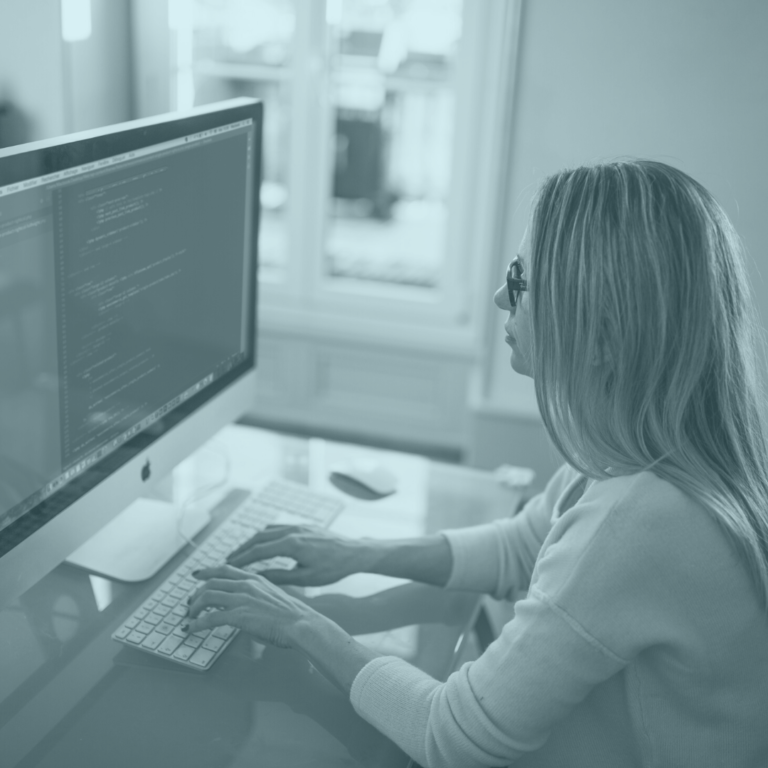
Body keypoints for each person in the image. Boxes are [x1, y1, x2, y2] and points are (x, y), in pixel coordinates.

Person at [185, 160, 768, 767]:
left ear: (601, 337)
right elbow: (524, 548)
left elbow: (456, 738)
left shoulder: (644, 518)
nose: (498, 297)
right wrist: (358, 553)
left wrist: (300, 623)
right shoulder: (649, 455)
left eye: (520, 281)